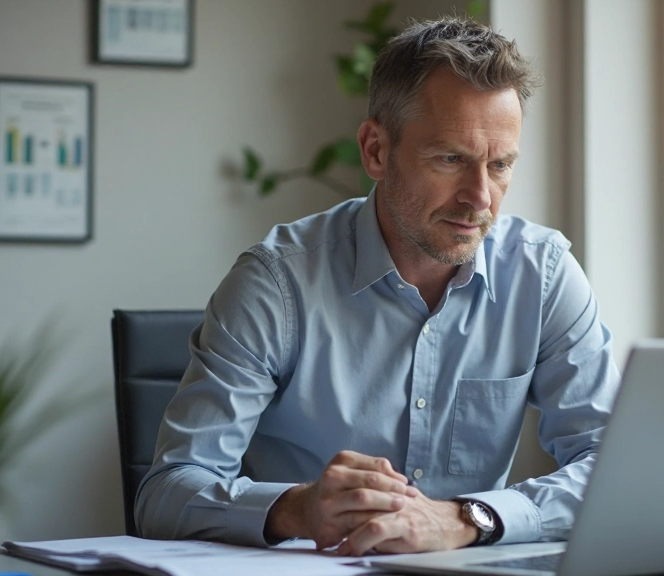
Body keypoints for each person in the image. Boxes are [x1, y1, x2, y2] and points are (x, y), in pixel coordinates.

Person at [136, 16, 620, 557]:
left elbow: (613, 468)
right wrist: (297, 508)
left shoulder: (544, 274)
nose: (480, 197)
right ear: (375, 151)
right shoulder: (276, 283)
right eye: (450, 159)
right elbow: (166, 491)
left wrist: (467, 518)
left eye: (500, 165)